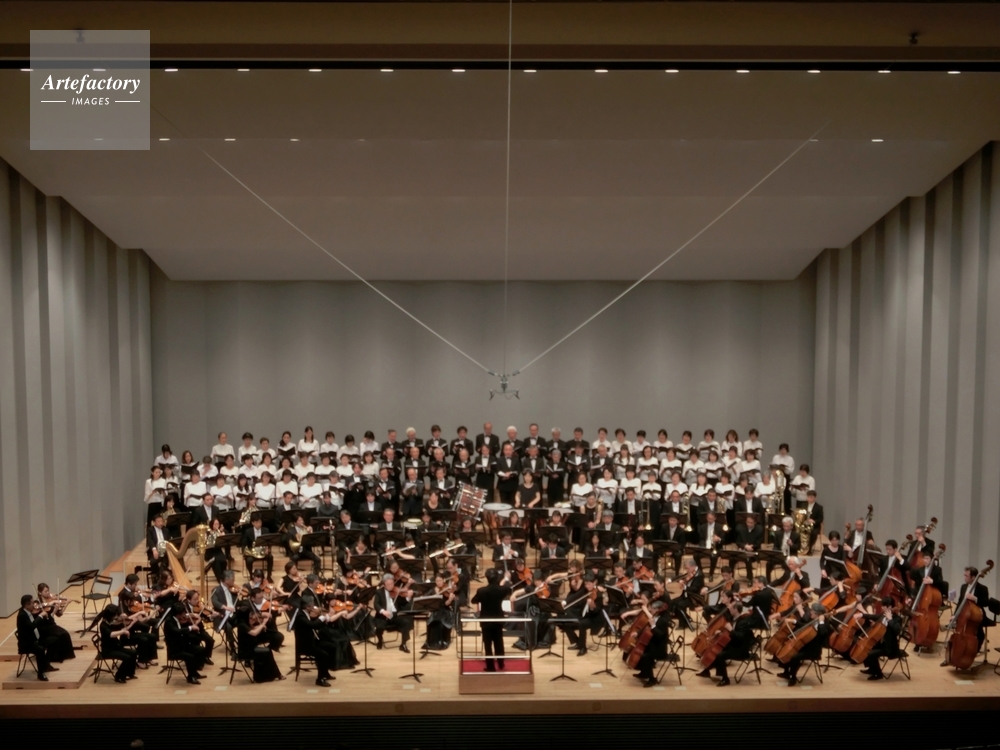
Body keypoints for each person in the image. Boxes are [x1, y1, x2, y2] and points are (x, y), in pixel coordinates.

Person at [696, 600, 754, 686]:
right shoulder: (733, 619)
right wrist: (721, 632)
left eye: (731, 608)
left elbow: (740, 637)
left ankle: (725, 679)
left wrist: (730, 630)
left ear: (736, 609)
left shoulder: (743, 622)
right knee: (716, 649)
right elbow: (730, 634)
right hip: (734, 644)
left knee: (720, 655)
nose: (729, 609)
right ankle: (707, 671)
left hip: (740, 649)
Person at [778, 603, 832, 686]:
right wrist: (794, 621)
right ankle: (786, 672)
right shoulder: (813, 621)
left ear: (817, 614)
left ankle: (792, 677)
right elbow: (805, 626)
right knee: (788, 650)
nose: (810, 612)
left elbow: (822, 634)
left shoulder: (824, 625)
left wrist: (821, 621)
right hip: (806, 646)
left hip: (813, 650)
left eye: (812, 611)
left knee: (795, 657)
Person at [237, 589, 283, 683]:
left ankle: (270, 676)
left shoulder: (246, 622)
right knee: (267, 651)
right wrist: (262, 624)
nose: (252, 617)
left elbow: (253, 628)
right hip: (246, 650)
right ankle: (269, 676)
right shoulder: (242, 624)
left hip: (251, 645)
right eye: (250, 616)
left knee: (267, 651)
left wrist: (260, 625)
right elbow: (254, 633)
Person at [472, 568, 512, 671]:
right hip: (498, 621)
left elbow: (473, 601)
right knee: (499, 643)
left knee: (488, 645)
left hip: (486, 621)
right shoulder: (502, 590)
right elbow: (509, 589)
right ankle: (501, 664)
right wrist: (506, 578)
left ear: (487, 578)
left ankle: (490, 666)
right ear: (497, 578)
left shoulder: (481, 591)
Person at [164, 603, 208, 684]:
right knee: (190, 657)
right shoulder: (169, 622)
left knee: (201, 650)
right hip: (175, 649)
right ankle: (191, 677)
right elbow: (177, 631)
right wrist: (190, 627)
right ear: (178, 614)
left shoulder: (176, 619)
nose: (184, 615)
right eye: (183, 613)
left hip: (182, 645)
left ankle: (194, 672)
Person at [860, 598, 903, 680]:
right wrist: (862, 615)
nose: (882, 607)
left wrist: (890, 619)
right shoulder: (883, 615)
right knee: (866, 647)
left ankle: (878, 674)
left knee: (871, 654)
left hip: (890, 647)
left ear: (889, 607)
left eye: (884, 606)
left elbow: (897, 630)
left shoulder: (897, 618)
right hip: (881, 643)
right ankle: (872, 669)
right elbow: (873, 616)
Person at [16, 595, 56, 680]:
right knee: (40, 649)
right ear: (27, 605)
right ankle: (41, 673)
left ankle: (46, 664)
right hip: (27, 643)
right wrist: (40, 616)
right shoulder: (22, 615)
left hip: (34, 639)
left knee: (53, 640)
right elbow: (32, 626)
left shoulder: (28, 611)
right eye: (32, 603)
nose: (34, 605)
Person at [97, 605, 138, 683]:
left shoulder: (111, 622)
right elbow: (111, 634)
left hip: (116, 646)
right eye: (115, 615)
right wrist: (123, 631)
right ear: (110, 615)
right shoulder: (103, 625)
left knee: (133, 652)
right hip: (108, 650)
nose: (116, 617)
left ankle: (130, 673)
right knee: (127, 658)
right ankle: (119, 676)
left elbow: (121, 628)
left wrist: (129, 623)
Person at [373, 574, 414, 652]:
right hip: (382, 617)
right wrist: (383, 611)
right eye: (388, 584)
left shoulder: (396, 591)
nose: (390, 586)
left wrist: (408, 597)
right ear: (384, 584)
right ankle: (380, 640)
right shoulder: (379, 592)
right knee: (379, 627)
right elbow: (376, 604)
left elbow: (402, 603)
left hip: (394, 616)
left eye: (392, 583)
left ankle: (403, 644)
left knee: (406, 623)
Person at [241, 514, 274, 579]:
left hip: (263, 552)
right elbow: (244, 543)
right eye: (257, 522)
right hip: (252, 553)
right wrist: (245, 552)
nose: (259, 524)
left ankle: (269, 576)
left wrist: (268, 549)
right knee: (249, 560)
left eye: (260, 522)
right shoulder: (248, 531)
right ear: (252, 523)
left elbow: (269, 542)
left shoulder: (266, 530)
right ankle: (251, 576)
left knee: (270, 557)